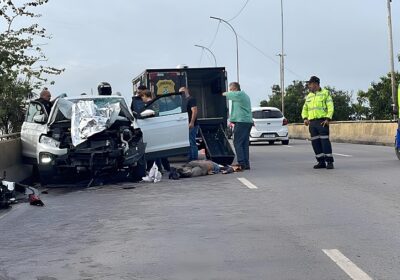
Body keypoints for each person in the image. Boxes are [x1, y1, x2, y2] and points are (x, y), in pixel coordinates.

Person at [301, 76, 335, 169]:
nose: (309, 86)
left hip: (322, 122)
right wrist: (305, 118)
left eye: (310, 84)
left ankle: (329, 162)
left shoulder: (325, 93)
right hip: (312, 123)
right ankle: (321, 162)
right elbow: (305, 109)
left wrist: (328, 119)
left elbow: (330, 107)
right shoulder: (309, 96)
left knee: (325, 142)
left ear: (315, 84)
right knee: (315, 143)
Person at [223, 82, 252, 170]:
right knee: (244, 143)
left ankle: (241, 163)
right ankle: (246, 163)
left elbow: (226, 94)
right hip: (247, 122)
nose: (230, 91)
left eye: (231, 89)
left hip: (241, 121)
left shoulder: (239, 94)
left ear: (235, 89)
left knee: (237, 143)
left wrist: (222, 92)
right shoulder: (244, 95)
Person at [179, 86, 199, 161]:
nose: (182, 93)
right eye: (180, 92)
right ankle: (190, 159)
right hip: (186, 124)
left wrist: (192, 123)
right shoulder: (184, 100)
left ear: (187, 90)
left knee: (192, 142)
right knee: (189, 143)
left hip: (192, 124)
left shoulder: (191, 99)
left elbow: (194, 111)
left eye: (183, 91)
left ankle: (194, 159)